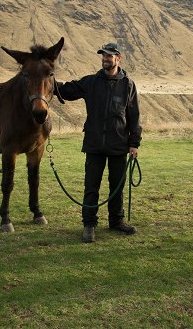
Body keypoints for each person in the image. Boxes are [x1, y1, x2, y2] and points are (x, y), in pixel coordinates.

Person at [55, 42, 142, 243]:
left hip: (119, 145)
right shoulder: (91, 82)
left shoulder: (128, 85)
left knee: (116, 187)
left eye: (109, 56)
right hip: (94, 145)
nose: (105, 59)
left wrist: (134, 143)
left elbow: (134, 116)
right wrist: (48, 81)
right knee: (91, 187)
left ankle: (116, 221)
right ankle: (89, 225)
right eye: (103, 56)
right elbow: (67, 91)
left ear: (118, 58)